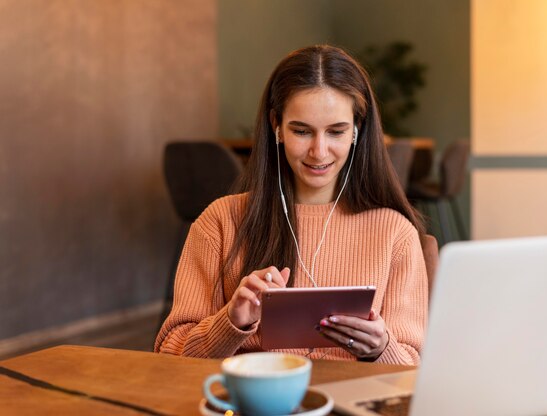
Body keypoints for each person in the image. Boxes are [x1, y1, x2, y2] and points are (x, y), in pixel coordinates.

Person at [155, 45, 428, 365]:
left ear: (356, 130)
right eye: (302, 131)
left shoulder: (394, 232)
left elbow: (414, 369)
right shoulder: (221, 221)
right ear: (276, 126)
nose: (319, 151)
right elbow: (169, 354)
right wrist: (232, 321)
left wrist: (382, 348)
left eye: (336, 132)